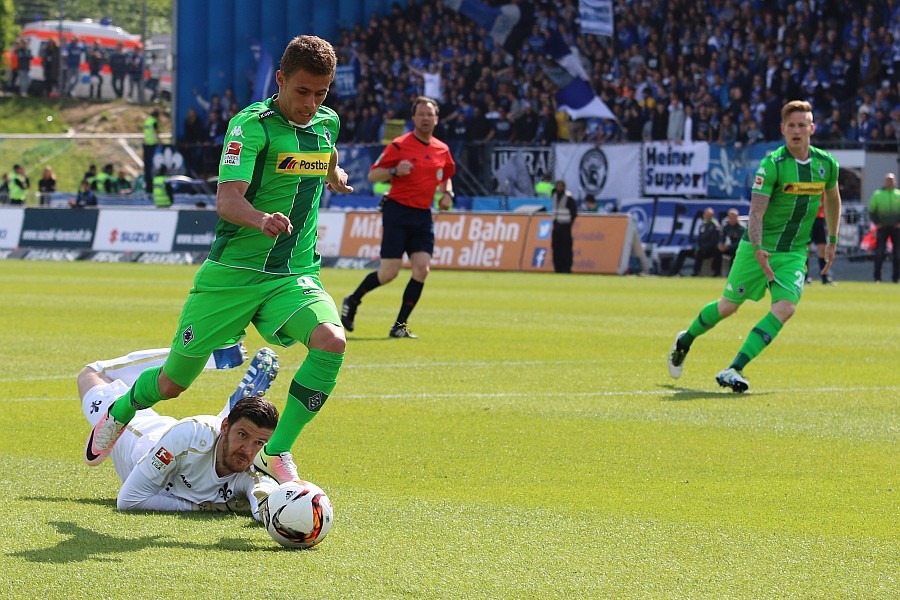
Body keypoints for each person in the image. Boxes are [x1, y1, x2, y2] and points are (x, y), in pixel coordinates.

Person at [84, 35, 354, 488]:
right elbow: (227, 202)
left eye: (321, 93)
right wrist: (259, 218)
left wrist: (336, 174)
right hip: (232, 275)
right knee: (173, 383)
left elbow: (325, 154)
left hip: (292, 274)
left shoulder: (327, 123)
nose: (312, 103)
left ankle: (278, 448)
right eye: (302, 91)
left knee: (331, 342)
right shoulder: (251, 127)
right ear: (281, 79)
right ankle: (121, 409)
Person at [667, 100, 842, 393]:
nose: (797, 130)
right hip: (755, 248)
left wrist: (834, 239)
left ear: (812, 128)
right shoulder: (772, 165)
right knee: (727, 308)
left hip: (793, 252)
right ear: (783, 129)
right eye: (791, 125)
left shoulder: (826, 164)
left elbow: (834, 199)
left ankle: (734, 368)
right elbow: (757, 211)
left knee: (785, 308)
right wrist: (759, 249)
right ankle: (684, 340)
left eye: (802, 125)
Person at [78, 345, 280, 516]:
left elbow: (264, 502)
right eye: (243, 436)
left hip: (183, 438)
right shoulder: (189, 433)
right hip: (138, 433)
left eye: (259, 443)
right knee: (92, 373)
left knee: (214, 440)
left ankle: (235, 414)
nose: (248, 450)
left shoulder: (256, 462)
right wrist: (204, 507)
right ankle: (204, 356)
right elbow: (129, 500)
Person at [341, 95, 455, 339]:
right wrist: (394, 170)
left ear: (437, 119)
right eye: (421, 114)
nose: (425, 118)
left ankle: (399, 326)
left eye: (430, 114)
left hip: (423, 214)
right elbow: (373, 175)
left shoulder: (442, 149)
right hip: (398, 211)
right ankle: (353, 300)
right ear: (413, 118)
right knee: (388, 273)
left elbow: (445, 175)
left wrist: (448, 194)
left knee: (422, 270)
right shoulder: (399, 145)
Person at [667, 207, 722, 277]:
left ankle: (696, 272)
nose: (707, 217)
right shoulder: (703, 225)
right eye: (706, 215)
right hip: (701, 248)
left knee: (700, 252)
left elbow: (714, 242)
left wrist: (701, 248)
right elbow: (699, 240)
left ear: (712, 216)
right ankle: (674, 272)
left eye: (709, 215)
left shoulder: (715, 226)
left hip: (710, 250)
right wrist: (697, 247)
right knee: (683, 252)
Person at [868, 172, 900, 283]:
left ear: (894, 181)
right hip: (882, 227)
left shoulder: (898, 194)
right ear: (884, 181)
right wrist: (877, 223)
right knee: (879, 252)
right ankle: (877, 277)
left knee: (897, 254)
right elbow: (871, 210)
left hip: (896, 228)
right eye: (888, 180)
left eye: (892, 180)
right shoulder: (878, 194)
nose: (890, 182)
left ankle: (896, 278)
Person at [806, 195, 835, 285]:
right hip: (808, 218)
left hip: (819, 219)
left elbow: (827, 206)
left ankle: (824, 277)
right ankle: (805, 277)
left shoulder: (823, 190)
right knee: (806, 249)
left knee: (822, 248)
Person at [550, 179, 578, 273]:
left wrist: (569, 224)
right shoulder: (554, 196)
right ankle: (557, 268)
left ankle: (566, 268)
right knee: (556, 248)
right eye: (558, 186)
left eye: (561, 186)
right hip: (556, 226)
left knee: (566, 248)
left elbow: (574, 212)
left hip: (565, 226)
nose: (559, 188)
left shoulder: (568, 197)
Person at [718, 208, 745, 275]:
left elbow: (740, 242)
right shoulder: (726, 227)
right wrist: (720, 245)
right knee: (716, 252)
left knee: (735, 254)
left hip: (737, 248)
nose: (732, 219)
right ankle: (716, 272)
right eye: (731, 217)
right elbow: (722, 238)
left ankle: (731, 273)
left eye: (734, 217)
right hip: (727, 247)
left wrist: (728, 247)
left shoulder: (741, 228)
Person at [143, 109, 160, 195]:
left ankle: (148, 186)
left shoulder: (147, 121)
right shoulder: (154, 122)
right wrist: (159, 142)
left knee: (147, 166)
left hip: (146, 143)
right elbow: (156, 133)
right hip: (153, 144)